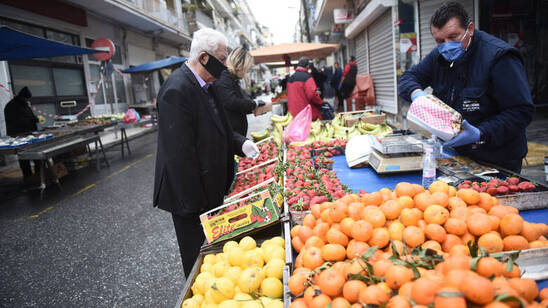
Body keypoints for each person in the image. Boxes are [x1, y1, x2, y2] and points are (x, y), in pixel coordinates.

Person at [153, 28, 259, 277]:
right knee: (198, 263)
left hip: (209, 192)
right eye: (221, 59)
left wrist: (240, 143)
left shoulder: (207, 86)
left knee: (214, 260)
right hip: (189, 198)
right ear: (203, 58)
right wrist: (199, 209)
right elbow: (179, 157)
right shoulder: (176, 90)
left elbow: (220, 128)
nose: (225, 65)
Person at [398, 2, 535, 173]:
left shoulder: (500, 58)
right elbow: (407, 78)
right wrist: (416, 94)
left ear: (470, 29)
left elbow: (521, 111)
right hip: (456, 156)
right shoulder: (440, 54)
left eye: (453, 37)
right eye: (439, 40)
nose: (446, 45)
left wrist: (480, 133)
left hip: (498, 159)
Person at [213, 47, 271, 138]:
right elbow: (231, 101)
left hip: (236, 133)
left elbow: (238, 105)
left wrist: (254, 108)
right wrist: (254, 104)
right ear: (240, 64)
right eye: (247, 68)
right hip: (230, 134)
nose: (247, 71)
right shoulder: (224, 77)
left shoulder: (232, 78)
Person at [4, 86, 39, 183]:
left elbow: (29, 116)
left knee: (34, 155)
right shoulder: (12, 106)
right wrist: (33, 120)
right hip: (19, 135)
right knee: (24, 157)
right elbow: (19, 121)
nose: (28, 100)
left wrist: (36, 119)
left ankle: (37, 175)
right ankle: (28, 177)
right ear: (23, 97)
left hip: (28, 133)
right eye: (27, 98)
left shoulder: (24, 104)